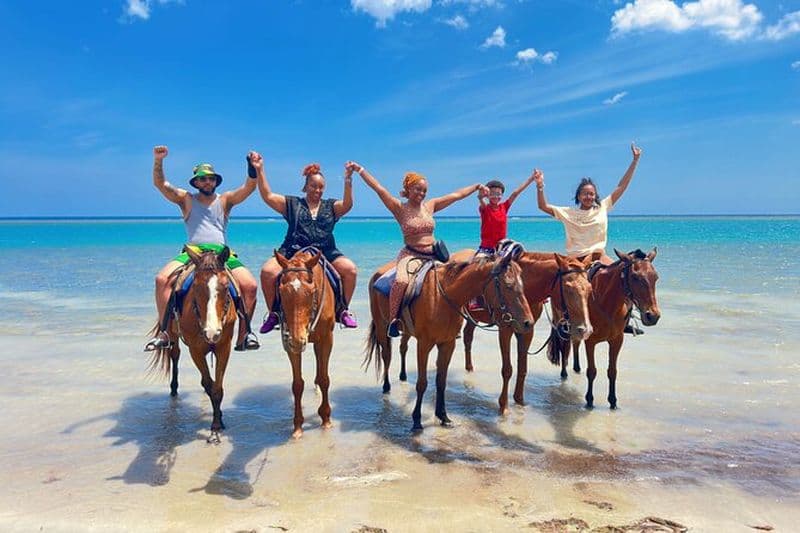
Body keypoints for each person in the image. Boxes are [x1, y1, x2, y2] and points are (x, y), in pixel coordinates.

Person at [349, 160, 486, 337]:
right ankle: (394, 320)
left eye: (424, 190)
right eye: (417, 189)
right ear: (408, 189)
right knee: (401, 282)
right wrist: (360, 170)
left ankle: (455, 321)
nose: (421, 193)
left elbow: (456, 195)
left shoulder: (430, 206)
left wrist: (475, 187)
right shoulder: (399, 208)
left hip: (435, 255)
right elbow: (378, 188)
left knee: (462, 275)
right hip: (411, 256)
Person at [144, 146, 260, 352]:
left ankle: (245, 334)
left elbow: (249, 188)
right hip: (193, 253)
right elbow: (160, 184)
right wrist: (158, 161)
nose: (208, 182)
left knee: (250, 285)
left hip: (221, 253)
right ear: (196, 182)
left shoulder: (225, 200)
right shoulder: (186, 199)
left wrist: (252, 167)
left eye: (211, 179)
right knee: (161, 280)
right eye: (203, 179)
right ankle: (165, 332)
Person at [534, 143, 643, 333]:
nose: (589, 196)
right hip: (575, 260)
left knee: (626, 277)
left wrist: (635, 161)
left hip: (599, 255)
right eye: (585, 193)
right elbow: (542, 206)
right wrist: (540, 185)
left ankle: (626, 320)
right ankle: (563, 322)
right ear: (578, 196)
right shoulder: (568, 212)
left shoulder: (603, 207)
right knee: (563, 288)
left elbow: (621, 186)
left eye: (592, 194)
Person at [257, 158, 358, 334]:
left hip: (325, 251)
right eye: (313, 186)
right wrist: (259, 170)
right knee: (267, 272)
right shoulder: (292, 204)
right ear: (306, 186)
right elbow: (268, 196)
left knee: (350, 270)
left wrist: (348, 179)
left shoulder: (331, 206)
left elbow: (348, 205)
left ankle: (342, 310)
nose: (317, 190)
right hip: (293, 251)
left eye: (320, 187)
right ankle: (274, 313)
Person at [475, 171, 538, 255]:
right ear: (487, 195)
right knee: (477, 266)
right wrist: (480, 197)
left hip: (502, 247)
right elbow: (481, 200)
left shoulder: (504, 207)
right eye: (492, 193)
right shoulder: (485, 208)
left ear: (502, 195)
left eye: (498, 194)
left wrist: (531, 179)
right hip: (487, 248)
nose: (496, 196)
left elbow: (515, 193)